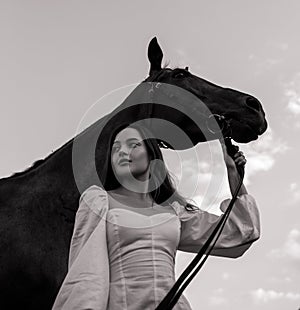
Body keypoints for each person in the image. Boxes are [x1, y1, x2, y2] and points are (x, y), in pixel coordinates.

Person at [52, 123, 260, 310]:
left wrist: (233, 173)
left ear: (151, 155)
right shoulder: (98, 200)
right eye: (116, 148)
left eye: (133, 145)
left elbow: (239, 233)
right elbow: (87, 273)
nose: (122, 152)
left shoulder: (173, 211)